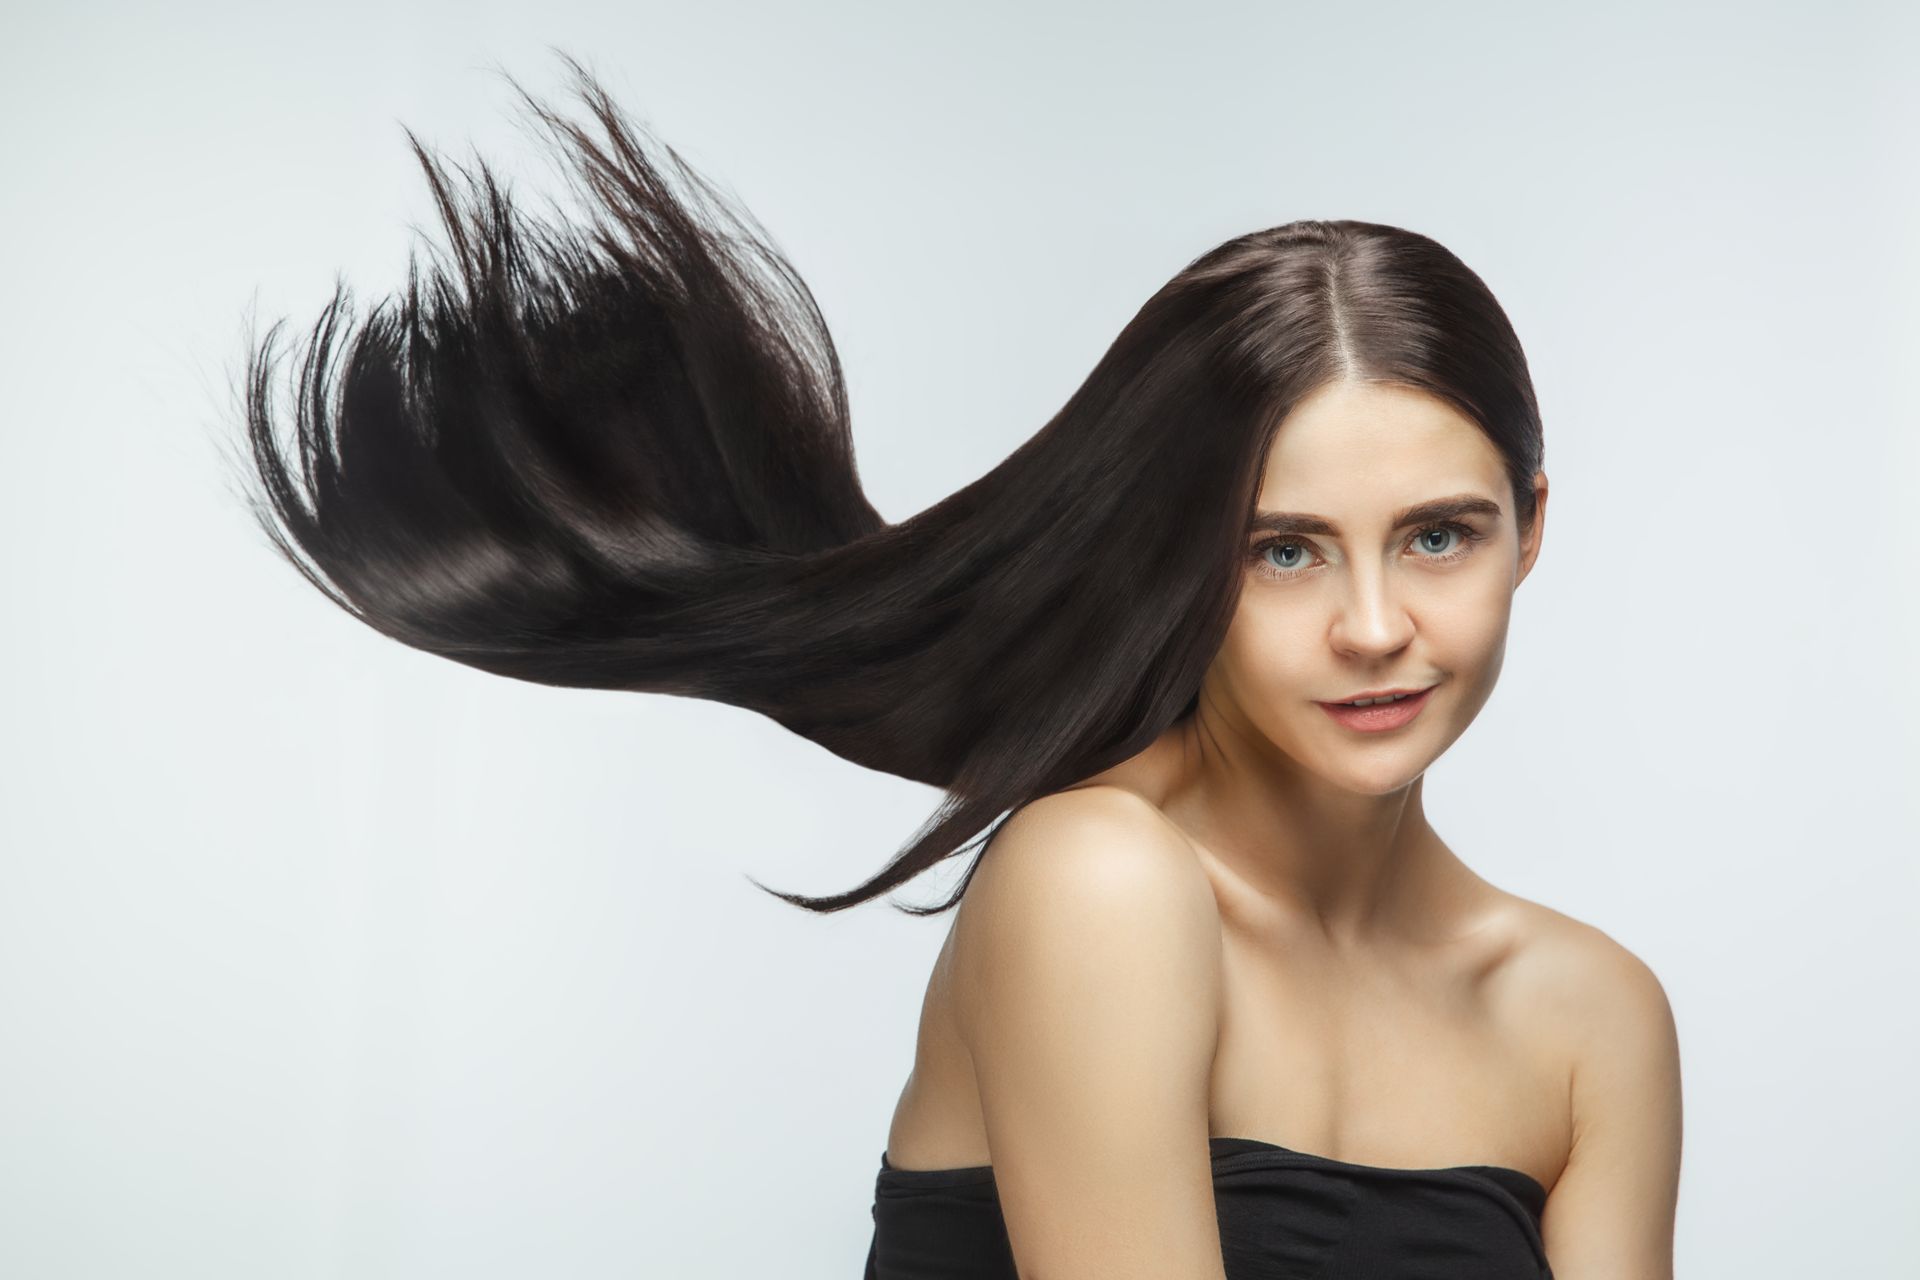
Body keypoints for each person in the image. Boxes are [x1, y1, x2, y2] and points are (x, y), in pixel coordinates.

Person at [225, 53, 1682, 1280]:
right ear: (1181, 557)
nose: (1375, 626)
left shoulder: (1592, 1018)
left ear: (1532, 531)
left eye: (1438, 537)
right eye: (1280, 551)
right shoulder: (1099, 882)